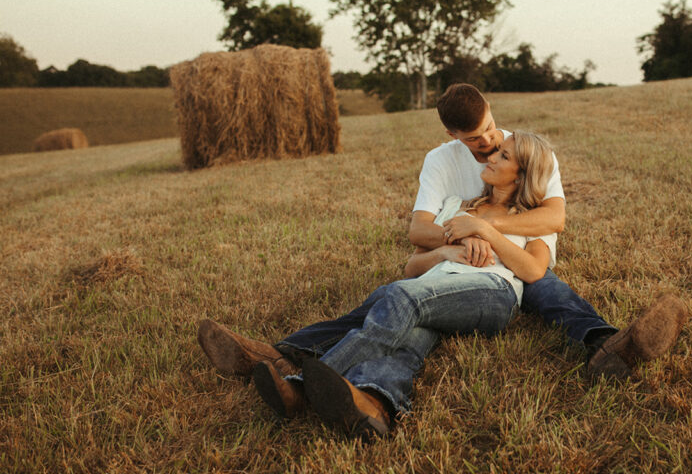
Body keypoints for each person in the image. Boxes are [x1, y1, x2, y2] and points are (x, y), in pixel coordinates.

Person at [265, 83, 683, 379]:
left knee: (541, 284)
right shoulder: (443, 165)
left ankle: (606, 342)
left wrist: (487, 227)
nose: (489, 143)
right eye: (475, 139)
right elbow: (419, 231)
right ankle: (323, 369)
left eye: (490, 129)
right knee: (398, 304)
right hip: (454, 268)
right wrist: (460, 236)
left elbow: (553, 218)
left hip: (504, 268)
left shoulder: (528, 153)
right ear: (452, 135)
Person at [203, 131, 559, 439]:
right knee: (408, 332)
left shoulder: (532, 221)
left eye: (504, 155)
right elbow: (412, 267)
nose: (491, 156)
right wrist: (445, 252)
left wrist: (485, 231)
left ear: (522, 174)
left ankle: (296, 382)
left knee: (397, 296)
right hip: (431, 290)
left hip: (491, 294)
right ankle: (371, 400)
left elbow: (533, 271)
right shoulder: (458, 208)